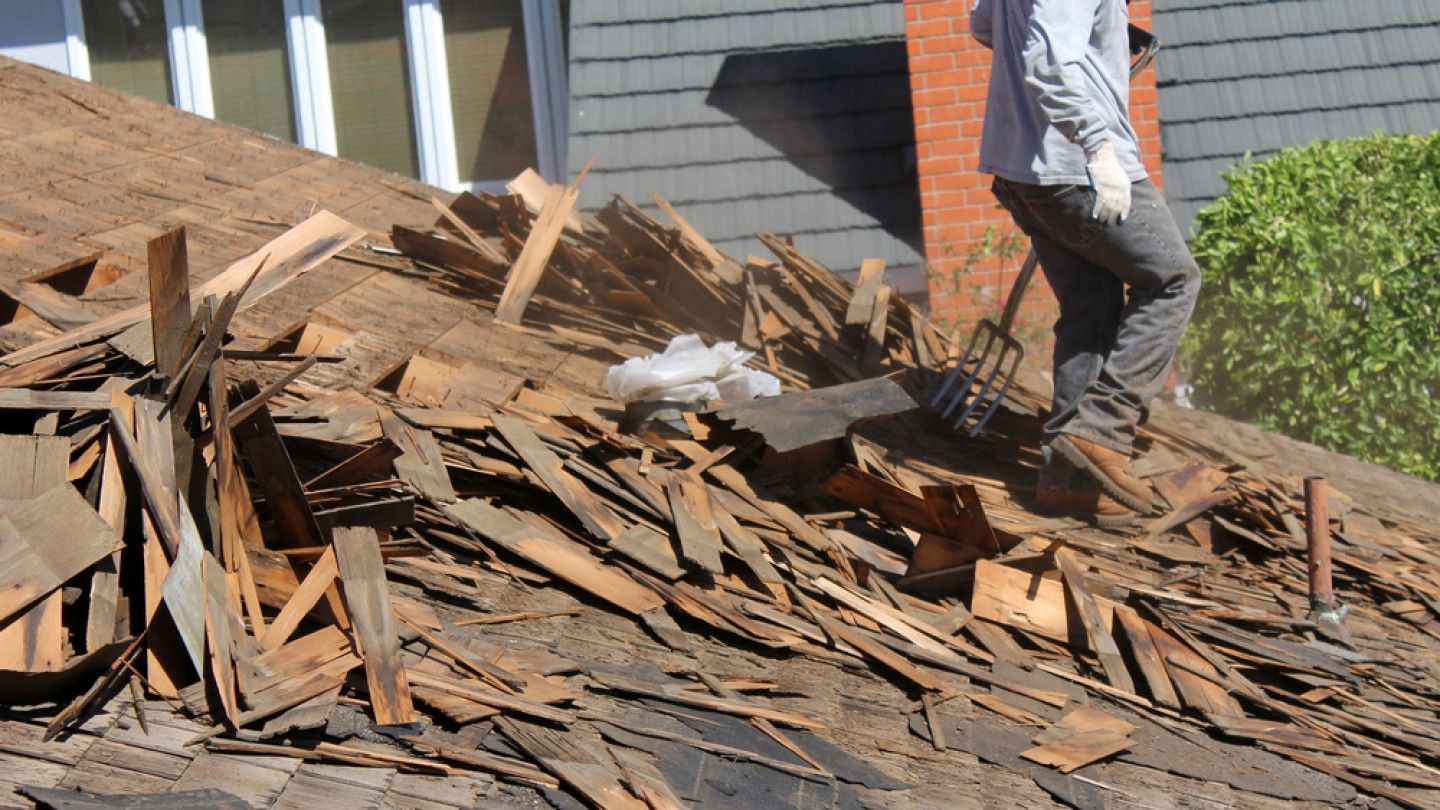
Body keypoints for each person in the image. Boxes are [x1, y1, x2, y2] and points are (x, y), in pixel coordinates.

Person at [968, 0, 1201, 525]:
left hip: (1022, 168)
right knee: (1172, 280)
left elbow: (986, 25)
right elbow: (1048, 59)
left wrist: (1102, 37)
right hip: (1078, 167)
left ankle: (1064, 478)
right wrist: (1098, 145)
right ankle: (1103, 430)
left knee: (1090, 306)